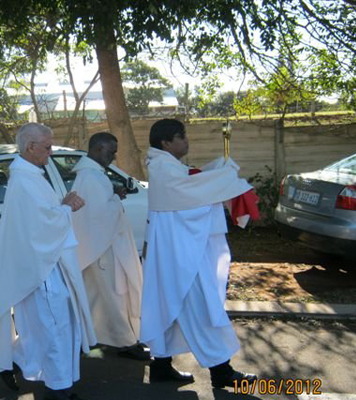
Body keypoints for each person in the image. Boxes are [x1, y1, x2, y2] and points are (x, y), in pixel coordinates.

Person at [0, 123, 96, 400]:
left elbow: (43, 216)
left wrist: (61, 205)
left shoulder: (31, 176)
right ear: (30, 147)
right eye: (47, 147)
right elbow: (41, 225)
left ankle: (15, 361)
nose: (50, 153)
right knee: (53, 326)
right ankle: (57, 389)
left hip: (47, 263)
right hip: (41, 270)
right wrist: (66, 207)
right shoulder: (24, 180)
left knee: (50, 327)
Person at [140, 119, 258, 389]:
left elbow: (194, 181)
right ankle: (222, 372)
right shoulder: (163, 168)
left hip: (176, 250)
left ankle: (160, 367)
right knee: (201, 307)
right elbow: (193, 196)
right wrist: (227, 180)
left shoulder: (165, 166)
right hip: (182, 255)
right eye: (181, 137)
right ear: (165, 143)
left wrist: (220, 169)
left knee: (169, 305)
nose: (186, 141)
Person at [70, 132, 147, 360]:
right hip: (101, 248)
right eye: (111, 151)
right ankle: (125, 342)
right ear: (97, 149)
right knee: (114, 295)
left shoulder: (92, 175)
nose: (113, 157)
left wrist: (113, 195)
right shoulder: (90, 177)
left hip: (101, 245)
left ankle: (88, 338)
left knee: (100, 297)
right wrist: (114, 200)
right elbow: (98, 215)